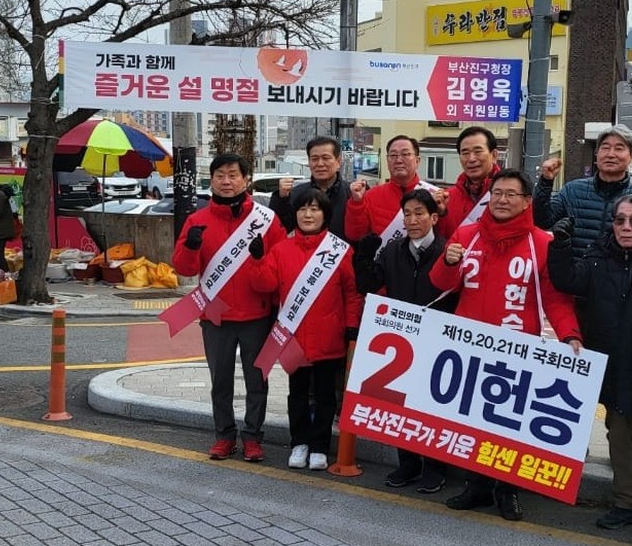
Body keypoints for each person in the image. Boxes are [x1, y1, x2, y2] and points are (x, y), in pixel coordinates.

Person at [431, 169, 582, 522]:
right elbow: (440, 284)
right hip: (468, 346)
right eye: (497, 193)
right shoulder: (466, 235)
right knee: (472, 420)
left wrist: (570, 334)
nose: (502, 200)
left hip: (516, 348)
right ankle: (476, 485)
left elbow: (555, 299)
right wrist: (448, 262)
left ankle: (507, 489)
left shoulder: (540, 242)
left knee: (508, 423)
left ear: (527, 201)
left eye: (511, 194)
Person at [547, 194, 632, 546]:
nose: (626, 227)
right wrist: (561, 245)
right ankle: (625, 502)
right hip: (614, 368)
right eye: (620, 220)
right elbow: (566, 281)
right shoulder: (598, 257)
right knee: (619, 439)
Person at [171, 153, 287, 463]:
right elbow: (183, 269)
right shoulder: (197, 221)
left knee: (256, 382)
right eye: (220, 175)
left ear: (246, 180)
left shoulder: (266, 220)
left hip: (257, 315)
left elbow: (280, 269)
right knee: (220, 381)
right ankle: (224, 436)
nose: (226, 181)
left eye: (233, 175)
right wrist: (191, 246)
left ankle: (253, 438)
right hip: (216, 315)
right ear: (211, 180)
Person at [250, 187, 361, 472]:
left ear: (325, 214)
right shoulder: (281, 250)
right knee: (297, 393)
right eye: (302, 209)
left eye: (314, 209)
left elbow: (351, 293)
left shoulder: (340, 250)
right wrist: (258, 260)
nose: (308, 214)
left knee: (325, 395)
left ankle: (320, 446)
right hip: (293, 336)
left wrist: (351, 327)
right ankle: (299, 442)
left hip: (329, 334)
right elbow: (265, 285)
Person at [353, 189, 454, 494]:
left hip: (437, 340)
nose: (412, 220)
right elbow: (369, 285)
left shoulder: (447, 250)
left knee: (434, 406)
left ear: (434, 217)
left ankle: (435, 468)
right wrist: (363, 256)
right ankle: (408, 464)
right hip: (402, 340)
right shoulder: (393, 249)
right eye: (407, 214)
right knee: (401, 403)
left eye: (419, 214)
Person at [532, 124, 632, 257]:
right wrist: (546, 182)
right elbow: (542, 221)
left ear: (631, 156)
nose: (611, 154)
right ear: (597, 153)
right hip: (576, 268)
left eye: (619, 148)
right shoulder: (572, 191)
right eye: (605, 148)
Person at [345, 134, 440, 242]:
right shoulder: (370, 196)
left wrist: (442, 212)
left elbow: (446, 236)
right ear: (387, 160)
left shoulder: (434, 195)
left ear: (417, 161)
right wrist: (356, 203)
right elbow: (354, 235)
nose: (398, 160)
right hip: (384, 253)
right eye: (393, 155)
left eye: (405, 154)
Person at [269, 135, 349, 240]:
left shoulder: (352, 194)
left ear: (338, 162)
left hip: (345, 250)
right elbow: (280, 228)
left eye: (326, 158)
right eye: (314, 159)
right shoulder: (296, 194)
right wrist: (281, 199)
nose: (320, 164)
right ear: (309, 162)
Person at [438, 125, 502, 237]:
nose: (471, 159)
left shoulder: (509, 195)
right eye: (465, 153)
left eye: (478, 151)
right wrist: (441, 214)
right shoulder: (446, 198)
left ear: (494, 155)